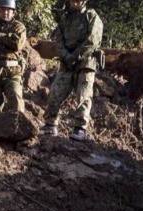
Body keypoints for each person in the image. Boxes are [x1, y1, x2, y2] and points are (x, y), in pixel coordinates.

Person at [40, 0, 103, 141]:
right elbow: (59, 41)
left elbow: (93, 40)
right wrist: (67, 57)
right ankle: (50, 125)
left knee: (84, 96)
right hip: (67, 63)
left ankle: (80, 128)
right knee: (56, 92)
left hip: (85, 63)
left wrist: (76, 56)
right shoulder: (65, 18)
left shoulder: (91, 16)